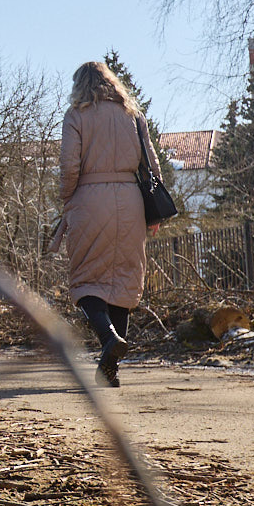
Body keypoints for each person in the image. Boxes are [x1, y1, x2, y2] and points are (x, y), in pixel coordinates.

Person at [59, 61, 163, 387]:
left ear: (80, 85)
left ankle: (108, 338)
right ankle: (110, 371)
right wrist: (154, 212)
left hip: (90, 201)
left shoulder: (76, 116)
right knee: (124, 284)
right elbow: (152, 165)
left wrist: (67, 199)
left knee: (86, 281)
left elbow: (69, 167)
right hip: (131, 203)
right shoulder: (133, 115)